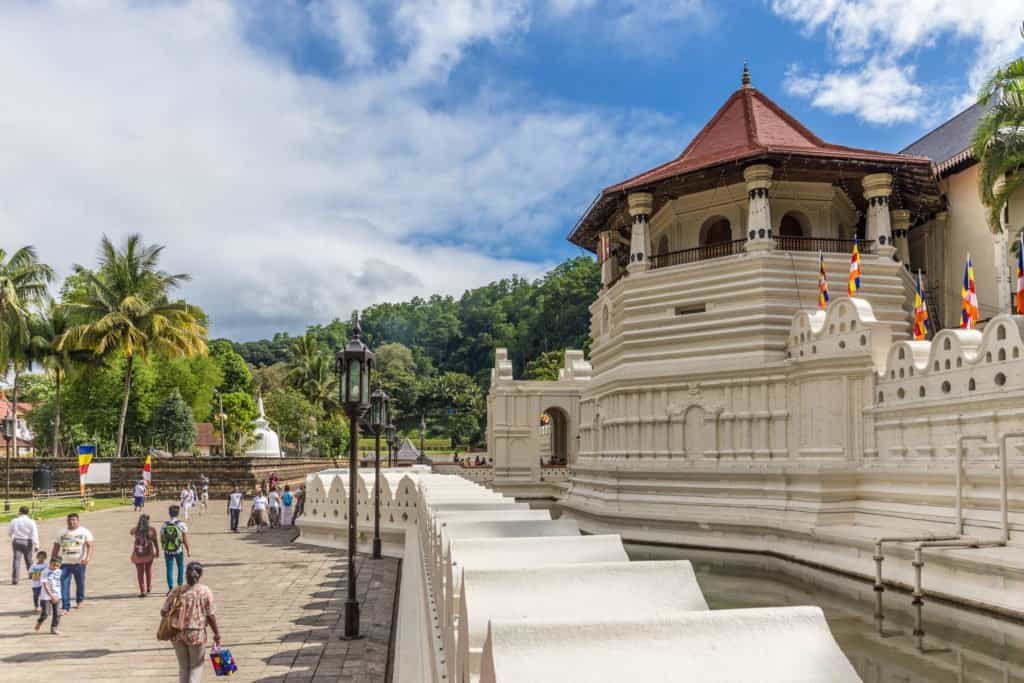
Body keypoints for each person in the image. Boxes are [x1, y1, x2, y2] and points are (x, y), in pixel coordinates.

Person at [161, 561, 221, 683]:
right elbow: (210, 615)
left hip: (176, 633)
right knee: (196, 667)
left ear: (185, 575)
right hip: (196, 634)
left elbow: (163, 611)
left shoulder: (176, 591)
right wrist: (217, 633)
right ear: (199, 575)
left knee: (183, 668)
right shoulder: (205, 591)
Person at [51, 512, 93, 613]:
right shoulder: (61, 532)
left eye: (74, 520)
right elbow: (56, 547)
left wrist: (88, 558)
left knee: (80, 582)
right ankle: (66, 606)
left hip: (79, 563)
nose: (72, 522)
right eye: (70, 520)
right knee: (64, 583)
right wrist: (53, 561)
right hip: (64, 563)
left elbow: (90, 545)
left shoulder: (84, 532)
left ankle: (80, 600)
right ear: (67, 521)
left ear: (78, 521)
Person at [161, 506, 191, 594]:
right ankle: (180, 586)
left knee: (169, 569)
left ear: (169, 513)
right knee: (180, 567)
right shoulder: (181, 524)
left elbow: (162, 537)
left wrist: (164, 546)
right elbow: (185, 539)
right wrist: (188, 550)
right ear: (178, 513)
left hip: (168, 550)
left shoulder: (165, 524)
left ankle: (170, 588)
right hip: (178, 549)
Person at [130, 513, 160, 597]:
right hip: (149, 553)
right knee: (148, 570)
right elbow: (155, 541)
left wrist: (138, 526)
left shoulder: (136, 530)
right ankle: (149, 587)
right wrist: (157, 551)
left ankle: (142, 590)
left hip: (138, 554)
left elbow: (131, 532)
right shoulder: (152, 530)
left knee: (140, 573)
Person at [8, 505, 39, 584]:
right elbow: (34, 533)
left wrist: (12, 538)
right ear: (28, 513)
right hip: (27, 541)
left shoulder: (14, 520)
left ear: (20, 512)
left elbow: (10, 532)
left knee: (16, 560)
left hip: (17, 541)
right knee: (29, 559)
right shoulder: (31, 521)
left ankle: (15, 579)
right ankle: (33, 576)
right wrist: (36, 544)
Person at [34, 554, 62, 635]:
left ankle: (54, 628)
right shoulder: (45, 572)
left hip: (57, 595)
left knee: (57, 613)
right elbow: (45, 585)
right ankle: (39, 622)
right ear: (50, 563)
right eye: (54, 565)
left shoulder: (59, 571)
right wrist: (51, 596)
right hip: (46, 597)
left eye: (58, 565)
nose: (55, 567)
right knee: (46, 613)